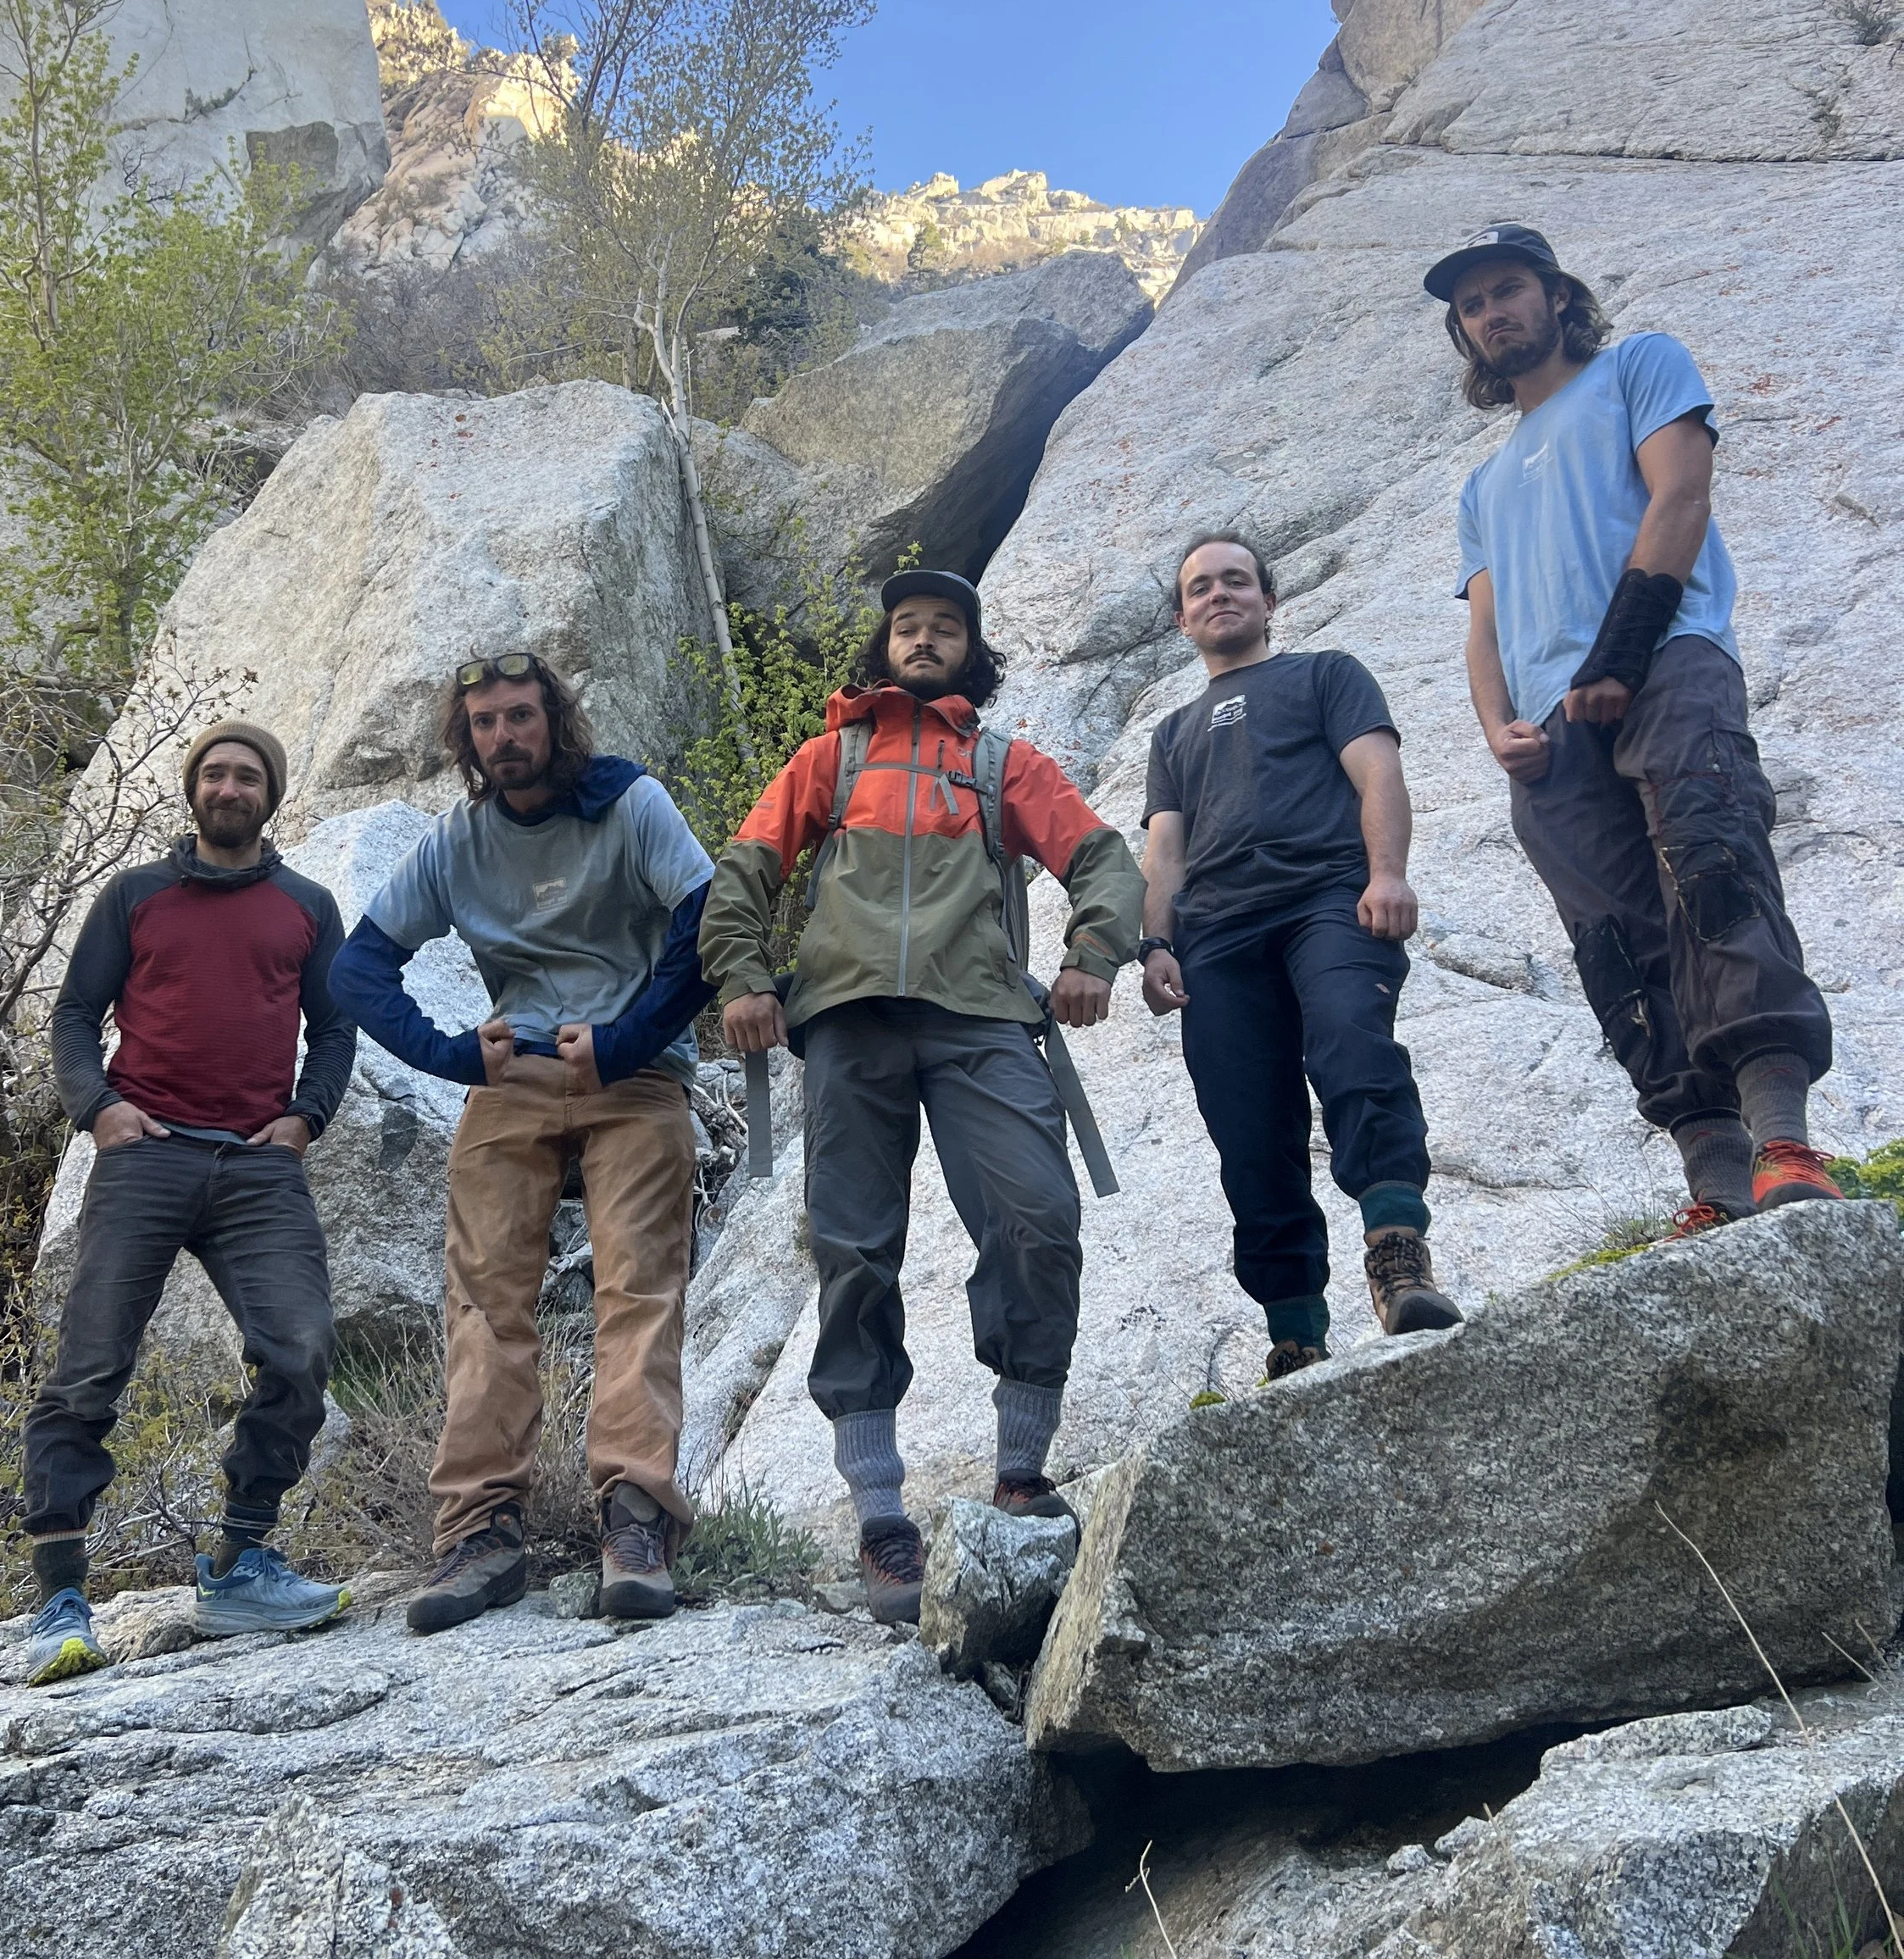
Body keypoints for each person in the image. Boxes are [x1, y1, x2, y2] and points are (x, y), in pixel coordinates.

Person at [700, 568, 1142, 1627]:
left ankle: (1021, 1471)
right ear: (885, 647)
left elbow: (1103, 860)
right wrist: (744, 977)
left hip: (981, 1018)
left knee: (1039, 1216)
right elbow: (743, 873)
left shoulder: (1002, 766)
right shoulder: (828, 758)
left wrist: (1093, 954)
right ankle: (880, 1515)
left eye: (945, 627)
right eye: (909, 627)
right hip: (849, 1021)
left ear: (971, 651)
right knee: (853, 1249)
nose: (925, 639)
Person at [1431, 219, 1837, 1229]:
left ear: (1557, 296)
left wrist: (1618, 653)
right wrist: (1497, 727)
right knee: (1614, 946)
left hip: (1665, 659)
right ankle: (1716, 1180)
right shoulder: (1481, 486)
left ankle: (1783, 1140)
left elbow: (1680, 494)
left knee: (1711, 856)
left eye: (1508, 289)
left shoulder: (1638, 368)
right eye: (1472, 305)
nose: (1492, 313)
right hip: (1551, 731)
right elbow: (1484, 625)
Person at [329, 652, 713, 1632]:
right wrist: (453, 1054)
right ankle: (477, 1535)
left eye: (520, 716)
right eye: (486, 723)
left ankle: (634, 1522)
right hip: (515, 1080)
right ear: (466, 740)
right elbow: (358, 969)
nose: (505, 736)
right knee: (484, 1303)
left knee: (638, 1289)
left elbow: (709, 921)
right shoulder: (457, 841)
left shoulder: (630, 804)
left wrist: (628, 1037)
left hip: (635, 1076)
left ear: (555, 721)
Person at [21, 720, 357, 1687]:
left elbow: (334, 1029)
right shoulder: (135, 895)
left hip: (259, 1168)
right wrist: (100, 1108)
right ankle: (57, 1602)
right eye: (214, 772)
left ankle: (242, 1565)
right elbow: (76, 1013)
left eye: (247, 775)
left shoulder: (306, 906)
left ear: (270, 795)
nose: (229, 786)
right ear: (192, 790)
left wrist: (306, 1119)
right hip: (146, 1156)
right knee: (89, 1369)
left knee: (299, 1350)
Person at [1139, 536, 1461, 1378]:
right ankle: (1294, 1328)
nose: (1219, 595)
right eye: (1200, 588)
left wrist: (1387, 872)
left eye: (1236, 581)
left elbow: (1376, 773)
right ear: (1181, 619)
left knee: (1353, 1044)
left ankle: (1397, 1252)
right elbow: (1164, 852)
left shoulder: (1326, 675)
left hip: (1327, 900)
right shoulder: (1172, 734)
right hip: (1216, 937)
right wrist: (1156, 942)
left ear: (1268, 601)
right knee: (1248, 1129)